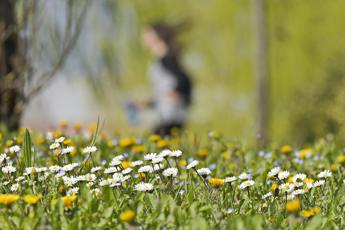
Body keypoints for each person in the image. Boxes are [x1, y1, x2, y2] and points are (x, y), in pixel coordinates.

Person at [140, 22, 192, 136]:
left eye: (146, 35)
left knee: (154, 145)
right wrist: (148, 103)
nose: (143, 38)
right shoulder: (162, 59)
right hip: (167, 115)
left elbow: (184, 79)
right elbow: (165, 89)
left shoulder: (166, 59)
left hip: (171, 116)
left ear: (155, 37)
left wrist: (177, 92)